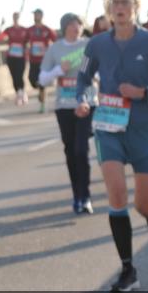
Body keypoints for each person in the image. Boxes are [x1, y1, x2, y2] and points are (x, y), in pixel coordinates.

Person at [75, 0, 148, 293]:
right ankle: (128, 270)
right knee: (117, 195)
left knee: (142, 203)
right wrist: (84, 99)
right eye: (115, 3)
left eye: (125, 2)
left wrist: (144, 92)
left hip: (145, 127)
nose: (120, 8)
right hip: (108, 126)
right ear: (109, 8)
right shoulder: (96, 44)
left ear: (135, 7)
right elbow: (83, 78)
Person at [38, 13, 95, 214]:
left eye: (78, 24)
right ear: (64, 28)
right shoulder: (55, 49)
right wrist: (58, 71)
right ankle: (77, 195)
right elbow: (42, 79)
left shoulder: (89, 45)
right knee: (70, 152)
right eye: (71, 25)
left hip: (86, 103)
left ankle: (86, 196)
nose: (75, 28)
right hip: (64, 106)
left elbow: (102, 68)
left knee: (81, 150)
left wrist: (96, 76)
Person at [26, 8, 58, 113]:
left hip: (44, 61)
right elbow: (23, 41)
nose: (35, 16)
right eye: (34, 15)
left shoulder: (47, 30)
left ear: (41, 16)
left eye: (37, 14)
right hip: (33, 60)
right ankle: (40, 91)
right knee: (32, 80)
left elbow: (56, 41)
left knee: (42, 83)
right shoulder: (30, 30)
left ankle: (42, 104)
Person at [0, 12, 30, 105]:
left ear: (19, 17)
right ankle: (18, 94)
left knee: (20, 75)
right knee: (14, 76)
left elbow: (30, 41)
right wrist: (1, 25)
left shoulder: (24, 30)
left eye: (17, 17)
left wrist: (27, 49)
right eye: (14, 17)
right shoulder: (9, 29)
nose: (15, 18)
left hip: (21, 57)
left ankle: (22, 93)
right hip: (11, 57)